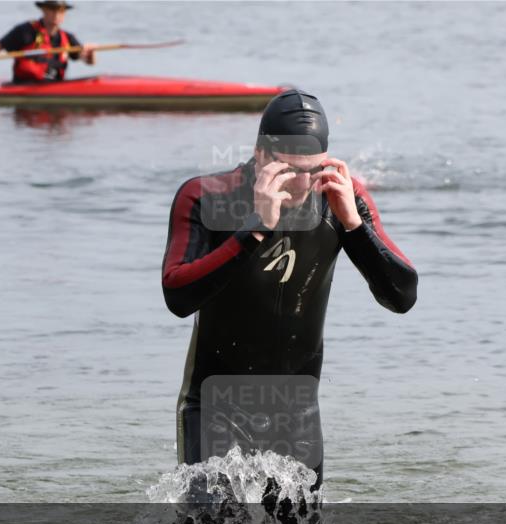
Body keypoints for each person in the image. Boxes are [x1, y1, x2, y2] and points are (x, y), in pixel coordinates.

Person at [162, 89, 418, 497]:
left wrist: (355, 226)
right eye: (289, 169)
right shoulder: (207, 197)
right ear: (260, 155)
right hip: (213, 406)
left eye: (312, 170)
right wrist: (254, 229)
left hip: (296, 413)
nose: (302, 184)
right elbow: (177, 296)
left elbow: (402, 296)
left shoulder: (340, 199)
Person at [0, 1, 96, 82]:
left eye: (60, 11)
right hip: (24, 86)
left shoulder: (68, 38)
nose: (56, 14)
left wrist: (90, 54)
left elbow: (88, 61)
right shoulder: (25, 30)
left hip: (54, 88)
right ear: (44, 10)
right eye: (52, 10)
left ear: (64, 14)